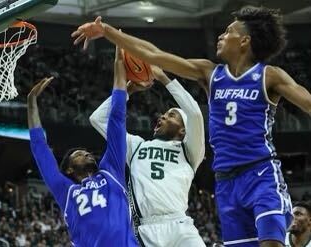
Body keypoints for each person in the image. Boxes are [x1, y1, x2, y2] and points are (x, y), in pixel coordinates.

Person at [72, 5, 311, 247]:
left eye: (228, 32)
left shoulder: (270, 76)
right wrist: (107, 31)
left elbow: (309, 103)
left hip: (259, 172)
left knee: (272, 244)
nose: (221, 35)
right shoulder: (209, 73)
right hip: (226, 183)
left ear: (244, 41)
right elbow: (154, 54)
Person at [27, 46, 138, 246]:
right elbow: (40, 149)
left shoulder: (111, 171)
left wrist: (119, 63)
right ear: (69, 168)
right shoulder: (66, 191)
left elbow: (117, 119)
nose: (87, 154)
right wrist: (31, 102)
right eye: (79, 154)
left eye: (87, 152)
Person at [90, 66, 206, 247]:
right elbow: (98, 119)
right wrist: (127, 90)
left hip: (180, 225)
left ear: (184, 130)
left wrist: (164, 78)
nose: (162, 117)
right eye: (164, 114)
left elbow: (195, 113)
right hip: (146, 229)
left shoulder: (190, 150)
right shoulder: (136, 146)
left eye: (171, 115)